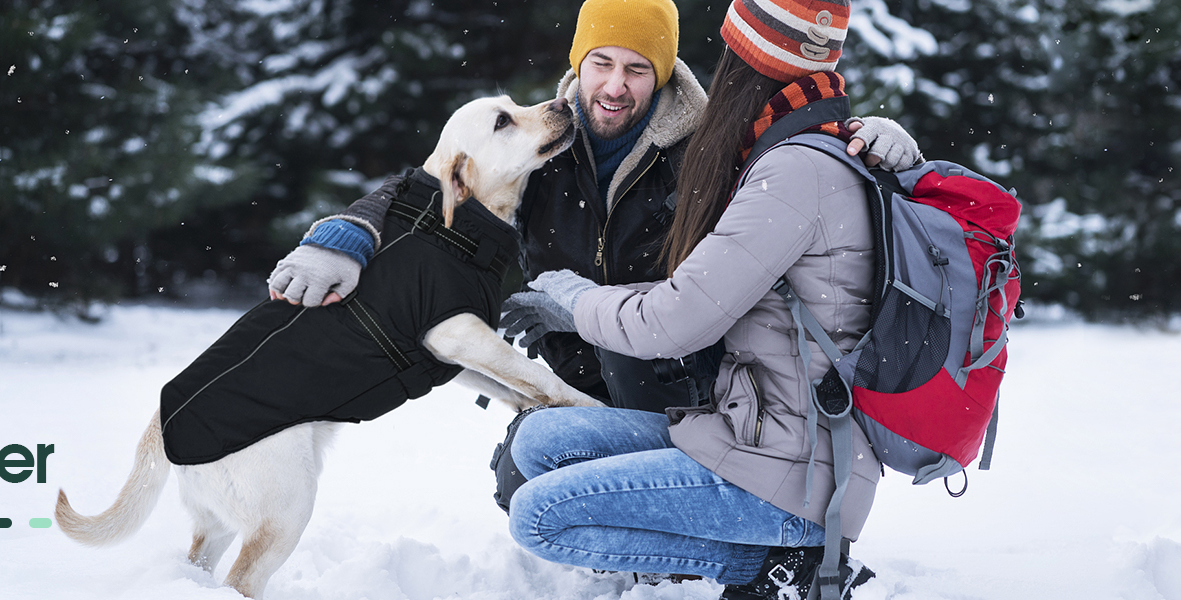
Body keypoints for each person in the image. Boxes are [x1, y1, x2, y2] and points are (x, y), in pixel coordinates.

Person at [266, 0, 920, 414]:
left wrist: (874, 141)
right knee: (520, 481)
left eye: (636, 69)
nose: (612, 86)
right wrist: (344, 235)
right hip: (571, 378)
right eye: (600, 63)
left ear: (661, 75)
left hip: (681, 385)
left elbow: (797, 152)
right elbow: (436, 182)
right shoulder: (537, 142)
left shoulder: (709, 149)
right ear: (579, 64)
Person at [496, 0, 887, 597]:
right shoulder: (776, 151)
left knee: (539, 517)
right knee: (537, 445)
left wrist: (573, 302)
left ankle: (776, 565)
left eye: (732, 57)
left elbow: (676, 319)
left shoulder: (791, 171)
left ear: (750, 67)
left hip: (788, 472)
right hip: (748, 431)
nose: (617, 85)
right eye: (602, 63)